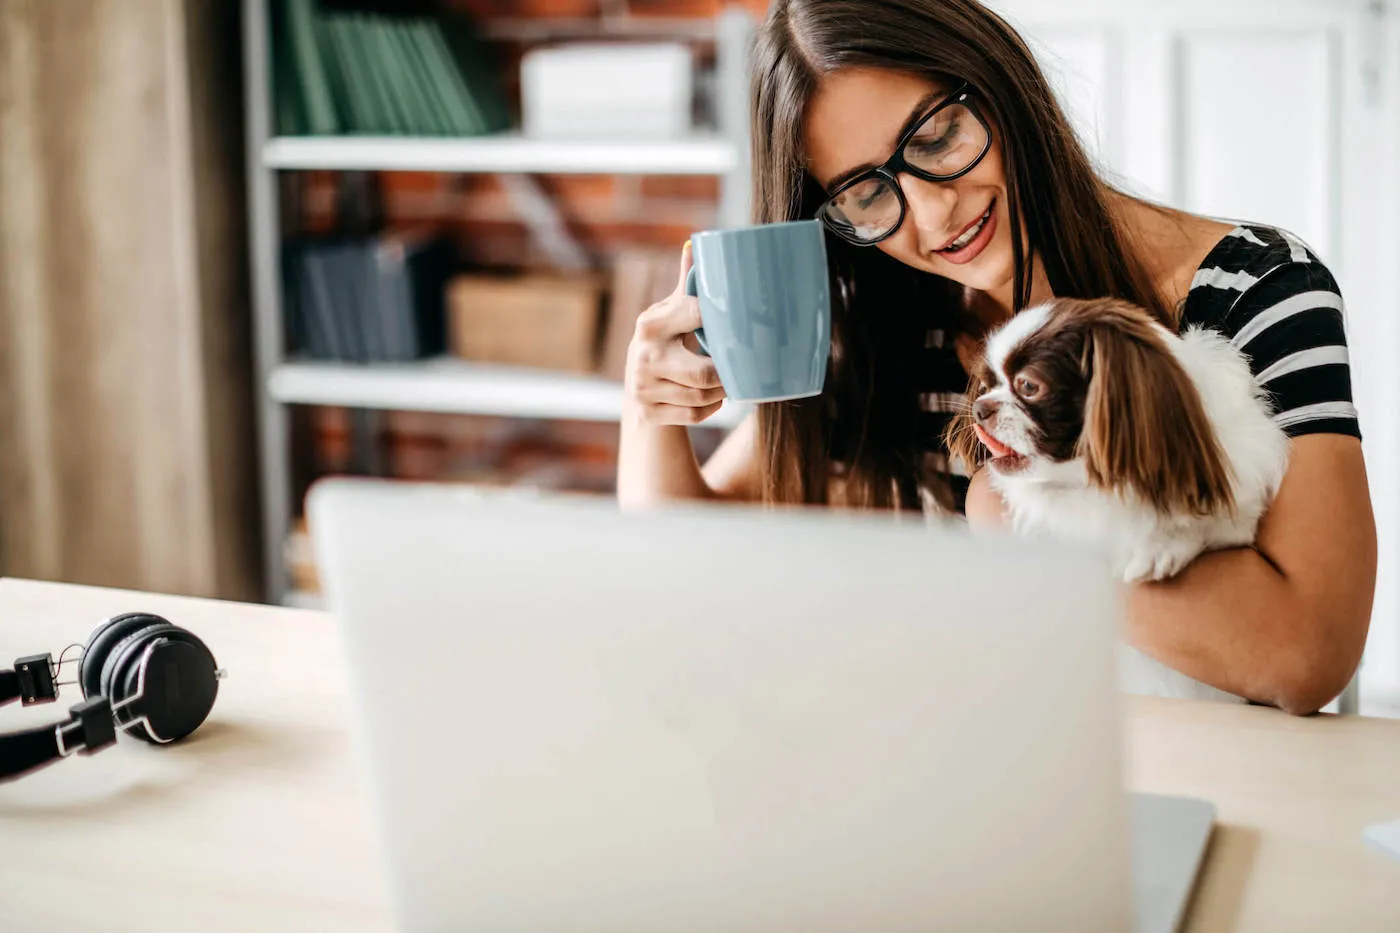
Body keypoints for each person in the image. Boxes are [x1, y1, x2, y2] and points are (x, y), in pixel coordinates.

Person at [616, 0, 1374, 715]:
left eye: (937, 137)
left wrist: (1023, 533)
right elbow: (687, 563)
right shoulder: (886, 324)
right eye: (865, 194)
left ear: (999, 79)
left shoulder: (1253, 290)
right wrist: (649, 411)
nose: (933, 212)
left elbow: (1307, 652)